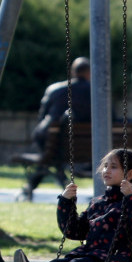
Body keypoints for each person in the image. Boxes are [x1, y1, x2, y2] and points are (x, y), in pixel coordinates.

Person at [0, 148, 132, 262]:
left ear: (130, 174)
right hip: (92, 254)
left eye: (113, 167)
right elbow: (74, 231)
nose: (106, 170)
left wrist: (129, 198)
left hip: (118, 259)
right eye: (105, 166)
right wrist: (66, 202)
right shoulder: (99, 202)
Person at [25, 57, 92, 198]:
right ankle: (58, 177)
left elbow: (41, 117)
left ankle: (34, 185)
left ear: (73, 72)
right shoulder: (98, 93)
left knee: (51, 152)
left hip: (52, 146)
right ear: (89, 73)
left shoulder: (55, 90)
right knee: (54, 153)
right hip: (88, 148)